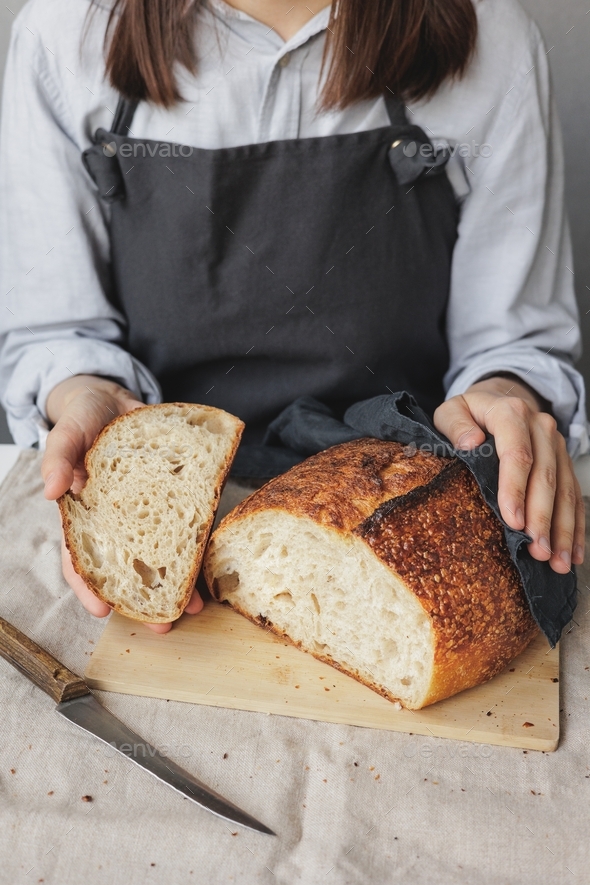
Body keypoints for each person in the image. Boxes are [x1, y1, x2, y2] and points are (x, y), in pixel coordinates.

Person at [0, 0, 587, 634]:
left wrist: (505, 394)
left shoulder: (490, 34)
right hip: (176, 529)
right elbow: (56, 334)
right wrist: (82, 390)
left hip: (405, 511)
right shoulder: (63, 31)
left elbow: (515, 343)